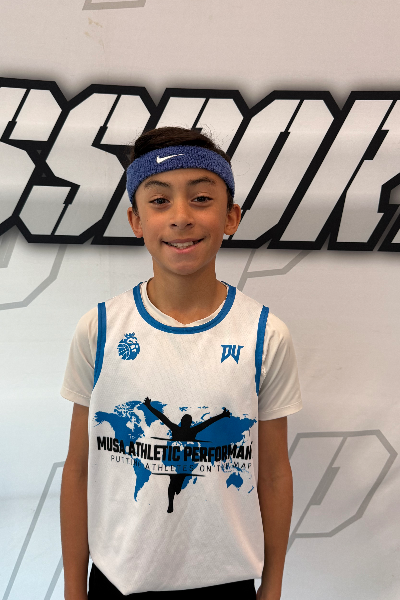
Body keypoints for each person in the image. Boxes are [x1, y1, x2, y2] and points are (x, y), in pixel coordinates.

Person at [60, 126, 302, 600]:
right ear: (136, 220)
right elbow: (79, 470)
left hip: (225, 583)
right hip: (117, 582)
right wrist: (73, 590)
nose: (181, 217)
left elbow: (274, 474)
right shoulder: (100, 328)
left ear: (231, 216)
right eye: (159, 201)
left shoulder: (265, 334)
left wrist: (272, 587)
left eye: (201, 198)